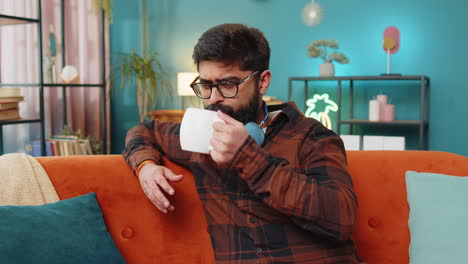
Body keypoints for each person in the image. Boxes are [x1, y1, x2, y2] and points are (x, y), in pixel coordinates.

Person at [123, 23, 362, 263]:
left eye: (228, 84)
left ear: (262, 82)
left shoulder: (311, 136)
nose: (214, 99)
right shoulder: (201, 136)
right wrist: (145, 166)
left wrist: (248, 158)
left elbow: (341, 219)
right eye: (206, 86)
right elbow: (144, 130)